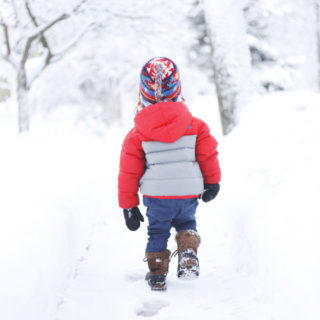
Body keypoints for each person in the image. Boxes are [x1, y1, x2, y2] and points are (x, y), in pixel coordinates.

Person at [118, 57, 221, 291]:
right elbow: (208, 155)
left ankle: (156, 274)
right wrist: (212, 182)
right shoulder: (196, 126)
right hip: (187, 193)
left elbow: (128, 172)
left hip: (157, 197)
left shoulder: (137, 134)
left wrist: (129, 205)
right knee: (187, 222)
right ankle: (187, 254)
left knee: (157, 231)